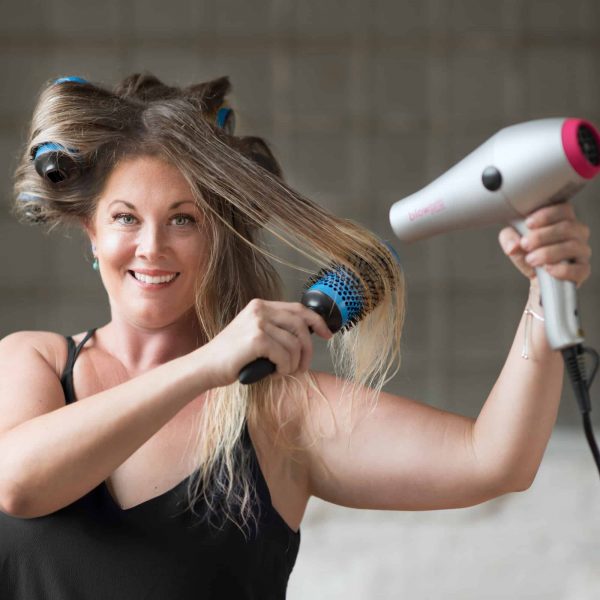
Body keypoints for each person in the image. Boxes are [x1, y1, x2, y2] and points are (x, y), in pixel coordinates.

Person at [0, 73, 592, 599]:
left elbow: (493, 460)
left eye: (184, 219)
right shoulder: (33, 362)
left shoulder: (278, 411)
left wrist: (547, 291)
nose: (151, 246)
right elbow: (19, 484)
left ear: (218, 236)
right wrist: (208, 364)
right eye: (125, 217)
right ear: (91, 233)